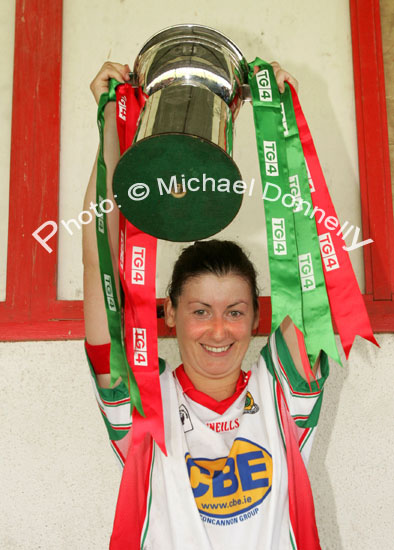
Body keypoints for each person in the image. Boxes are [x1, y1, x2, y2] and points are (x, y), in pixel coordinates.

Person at [83, 62, 328, 550]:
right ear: (170, 314)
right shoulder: (144, 402)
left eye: (235, 311)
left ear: (257, 320)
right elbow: (98, 264)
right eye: (200, 311)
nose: (219, 330)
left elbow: (306, 265)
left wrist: (281, 127)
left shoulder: (281, 395)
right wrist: (111, 122)